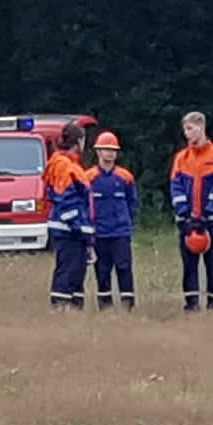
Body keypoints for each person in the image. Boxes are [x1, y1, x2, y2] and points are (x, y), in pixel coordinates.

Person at [170, 111, 213, 312]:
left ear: (201, 127)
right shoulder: (181, 158)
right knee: (189, 265)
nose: (187, 133)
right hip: (187, 222)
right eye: (184, 129)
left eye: (190, 128)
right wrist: (185, 213)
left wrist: (207, 212)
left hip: (212, 221)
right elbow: (175, 187)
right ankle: (191, 304)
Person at [43, 121, 95, 309]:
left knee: (76, 273)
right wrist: (77, 226)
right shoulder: (64, 165)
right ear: (78, 141)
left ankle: (74, 310)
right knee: (67, 271)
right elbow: (66, 199)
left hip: (74, 230)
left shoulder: (69, 163)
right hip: (69, 230)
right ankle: (61, 309)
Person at [86, 130, 139, 311]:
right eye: (106, 149)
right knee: (102, 271)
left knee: (124, 268)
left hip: (120, 233)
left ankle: (128, 306)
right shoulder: (89, 177)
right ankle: (105, 307)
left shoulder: (125, 177)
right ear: (98, 151)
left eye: (113, 150)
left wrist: (125, 222)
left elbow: (132, 202)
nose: (110, 153)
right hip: (99, 233)